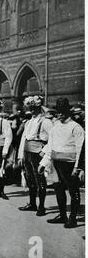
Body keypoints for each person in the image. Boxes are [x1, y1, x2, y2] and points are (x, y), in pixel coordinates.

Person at [38, 98, 84, 228]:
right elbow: (50, 146)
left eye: (63, 112)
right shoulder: (55, 127)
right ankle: (62, 215)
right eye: (59, 112)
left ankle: (73, 218)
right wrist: (43, 163)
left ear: (68, 112)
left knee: (73, 190)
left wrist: (78, 167)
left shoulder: (76, 127)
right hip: (56, 163)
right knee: (58, 188)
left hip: (70, 164)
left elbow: (81, 148)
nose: (61, 115)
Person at [18, 96, 53, 216]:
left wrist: (44, 152)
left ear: (39, 108)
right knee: (29, 178)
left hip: (38, 152)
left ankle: (41, 207)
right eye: (30, 108)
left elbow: (53, 139)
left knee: (40, 180)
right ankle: (32, 204)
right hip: (27, 152)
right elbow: (24, 138)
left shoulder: (46, 121)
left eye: (34, 108)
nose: (31, 111)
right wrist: (20, 155)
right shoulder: (28, 122)